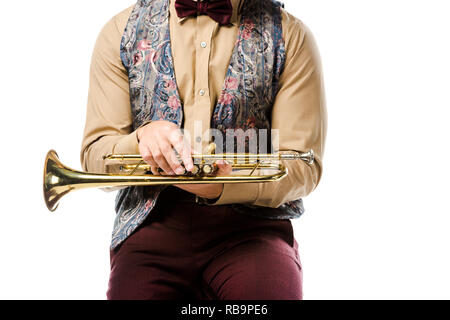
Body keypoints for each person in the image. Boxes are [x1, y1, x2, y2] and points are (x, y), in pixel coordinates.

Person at [81, 0, 326, 300]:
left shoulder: (291, 36)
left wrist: (224, 185)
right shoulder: (119, 32)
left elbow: (304, 164)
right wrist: (142, 139)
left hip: (253, 227)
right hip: (152, 223)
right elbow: (95, 154)